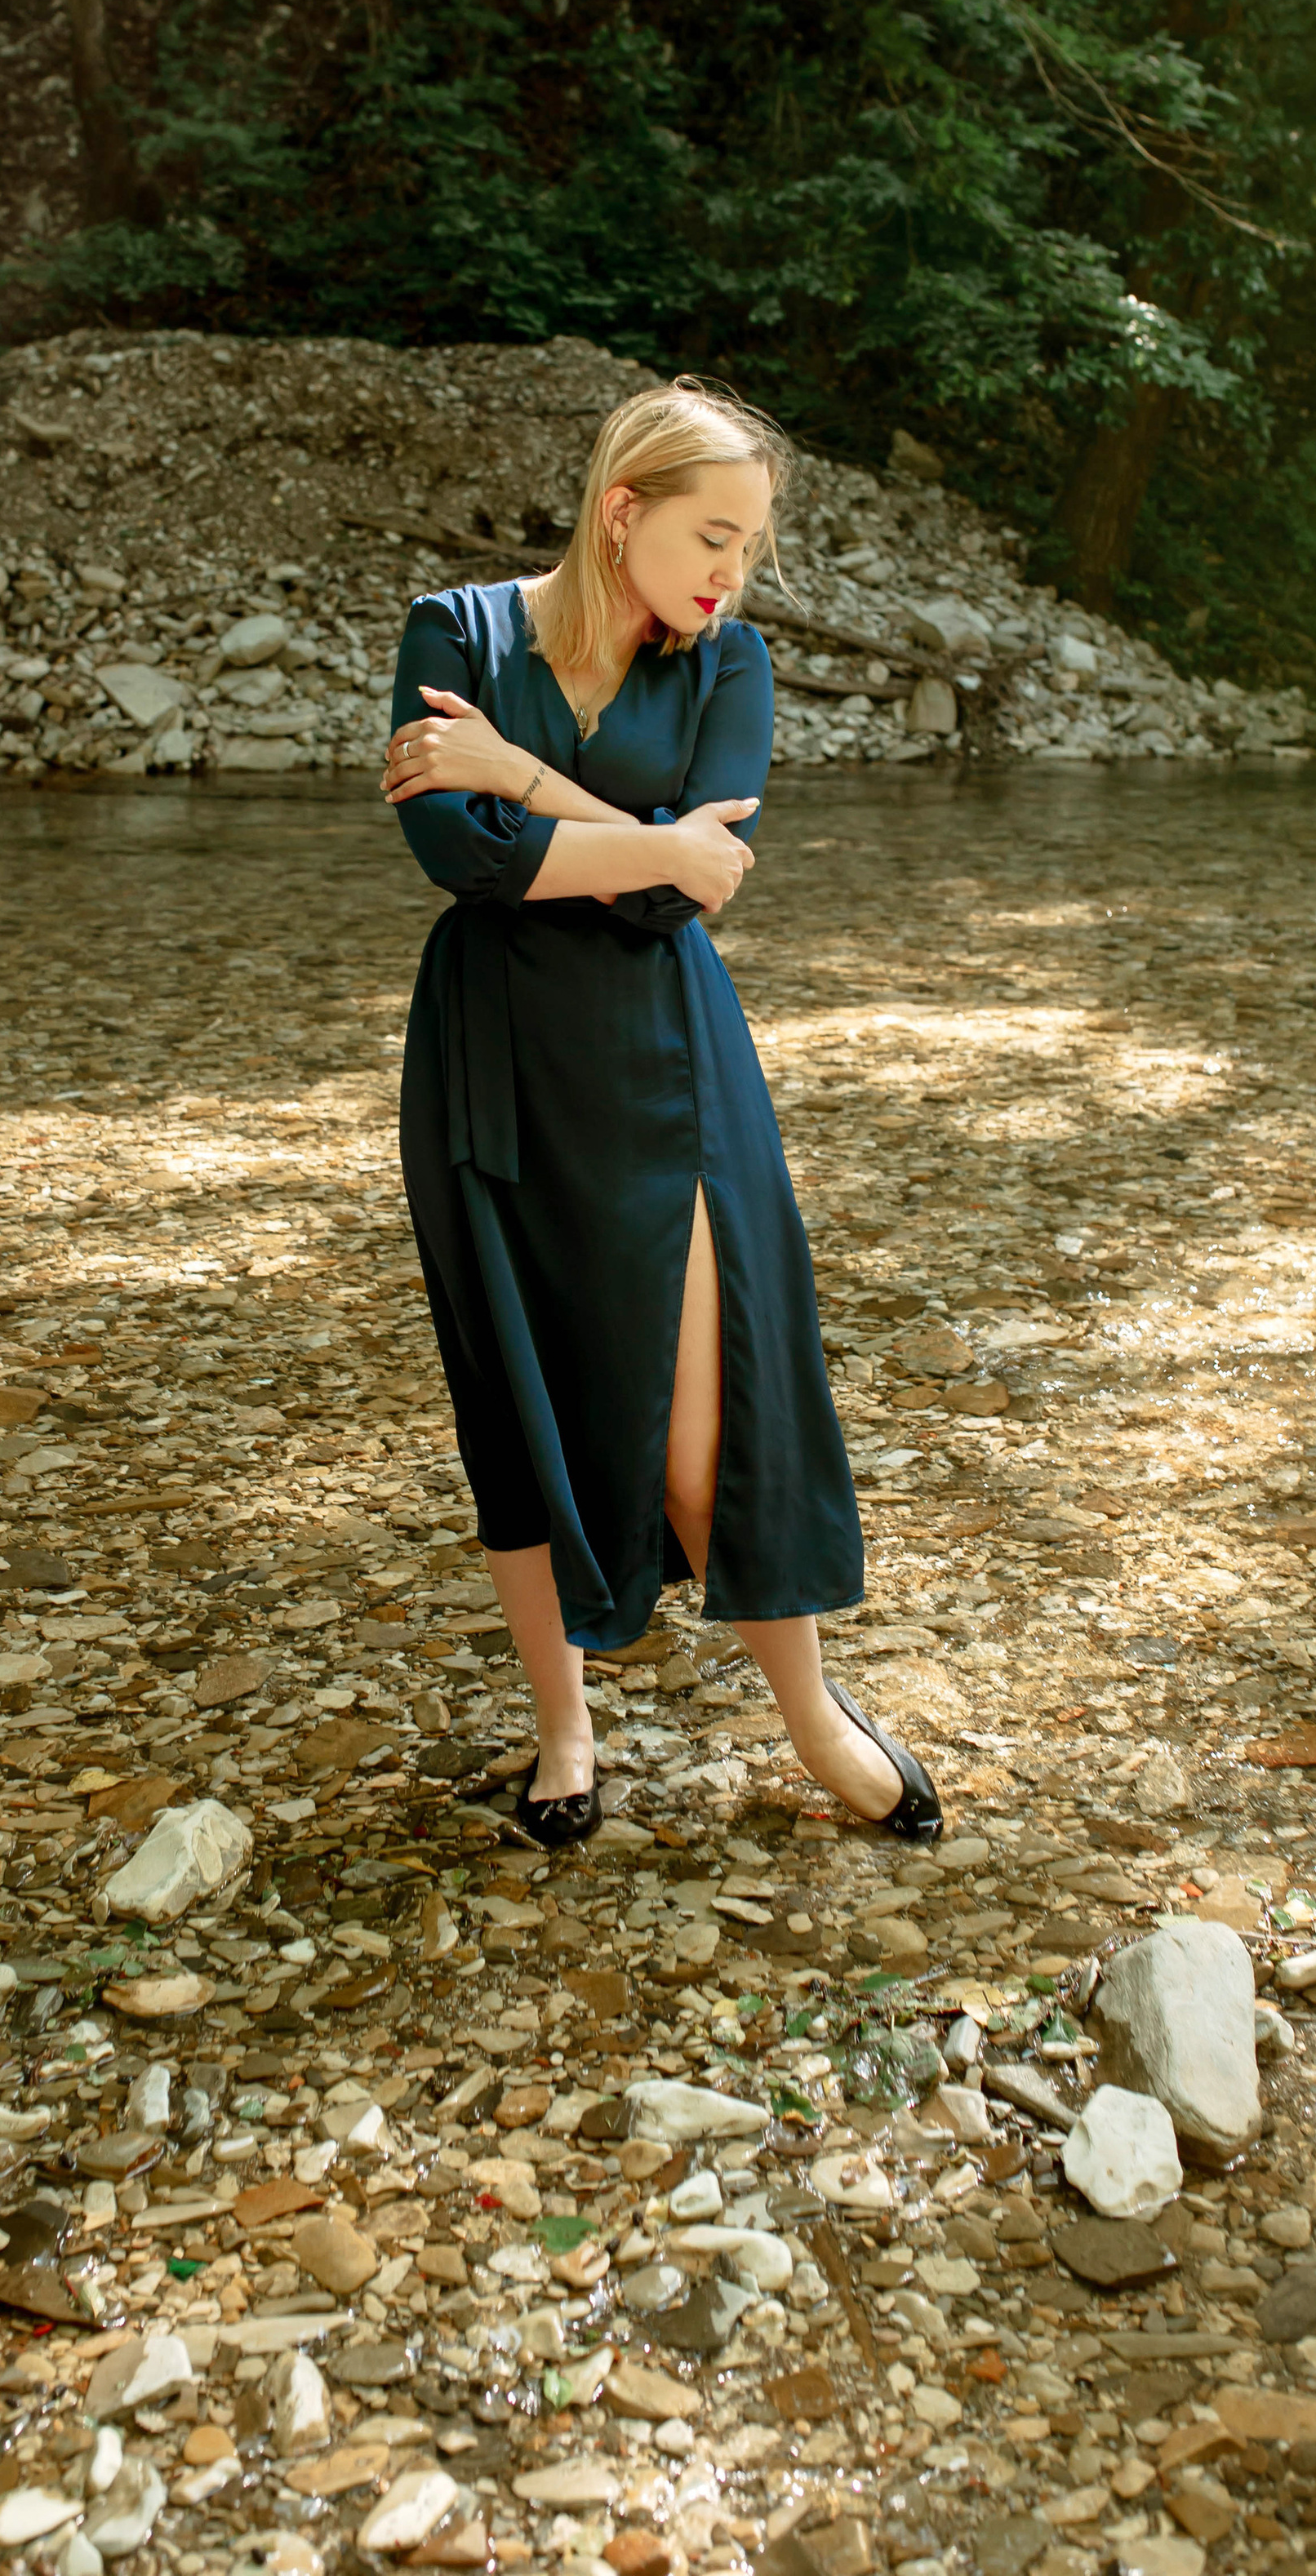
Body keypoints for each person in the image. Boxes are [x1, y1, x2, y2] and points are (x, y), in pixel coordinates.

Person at [380, 376, 941, 1852]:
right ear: (620, 511)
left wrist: (518, 780)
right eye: (711, 535)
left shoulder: (732, 666)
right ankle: (563, 1724)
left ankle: (814, 1717)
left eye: (749, 547)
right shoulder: (456, 631)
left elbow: (695, 887)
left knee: (705, 1437)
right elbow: (467, 863)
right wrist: (611, 840)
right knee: (521, 1399)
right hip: (492, 1063)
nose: (728, 574)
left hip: (669, 1061)